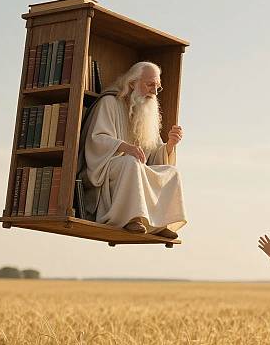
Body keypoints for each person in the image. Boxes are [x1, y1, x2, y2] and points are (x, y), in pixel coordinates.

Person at [77, 61, 187, 238]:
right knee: (131, 162)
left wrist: (170, 145)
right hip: (108, 172)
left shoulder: (146, 113)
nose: (154, 92)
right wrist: (125, 147)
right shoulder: (109, 103)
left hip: (134, 168)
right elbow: (96, 140)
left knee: (171, 171)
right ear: (132, 83)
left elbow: (153, 155)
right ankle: (131, 218)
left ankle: (159, 224)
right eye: (150, 84)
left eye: (157, 87)